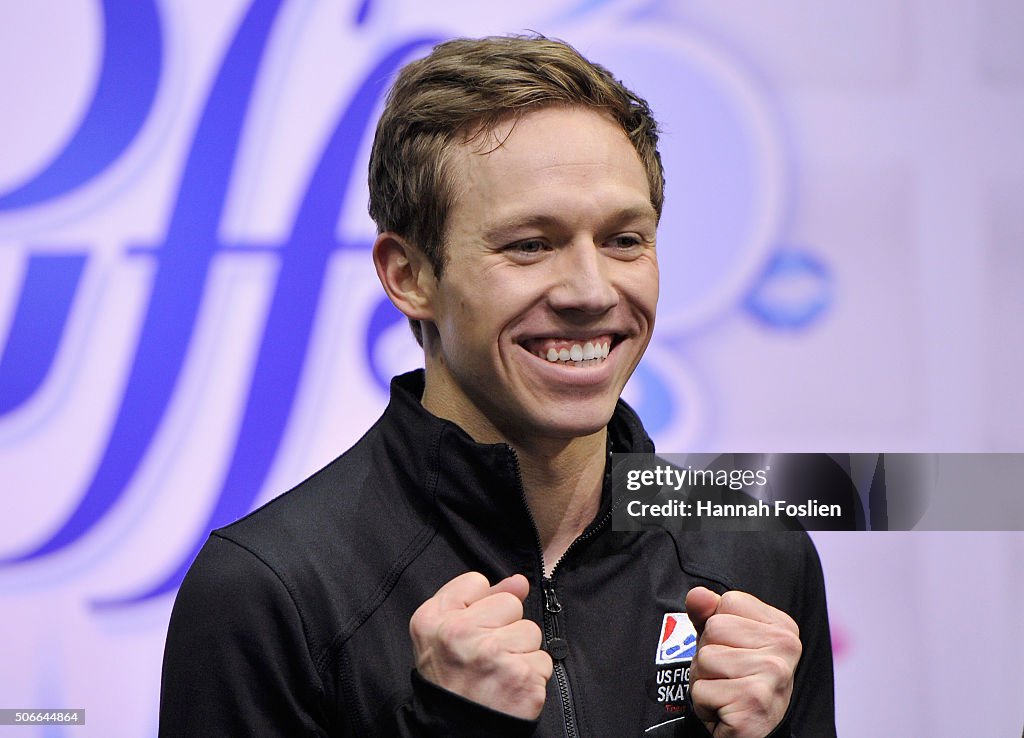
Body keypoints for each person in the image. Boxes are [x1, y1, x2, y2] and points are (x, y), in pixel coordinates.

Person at [159, 35, 835, 737]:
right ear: (410, 276)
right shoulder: (268, 591)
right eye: (529, 245)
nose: (590, 290)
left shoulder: (758, 552)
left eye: (624, 240)